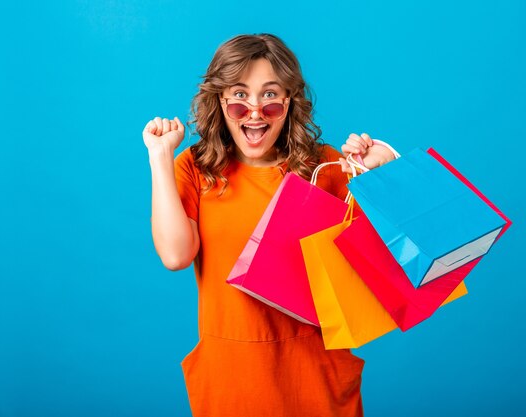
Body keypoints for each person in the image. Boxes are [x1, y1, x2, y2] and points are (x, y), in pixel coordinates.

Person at [142, 34, 394, 417]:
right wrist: (160, 156)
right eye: (240, 97)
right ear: (220, 102)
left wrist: (382, 168)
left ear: (290, 101)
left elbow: (390, 257)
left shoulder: (325, 168)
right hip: (231, 378)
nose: (255, 111)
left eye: (270, 96)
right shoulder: (195, 168)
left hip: (315, 376)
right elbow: (176, 255)